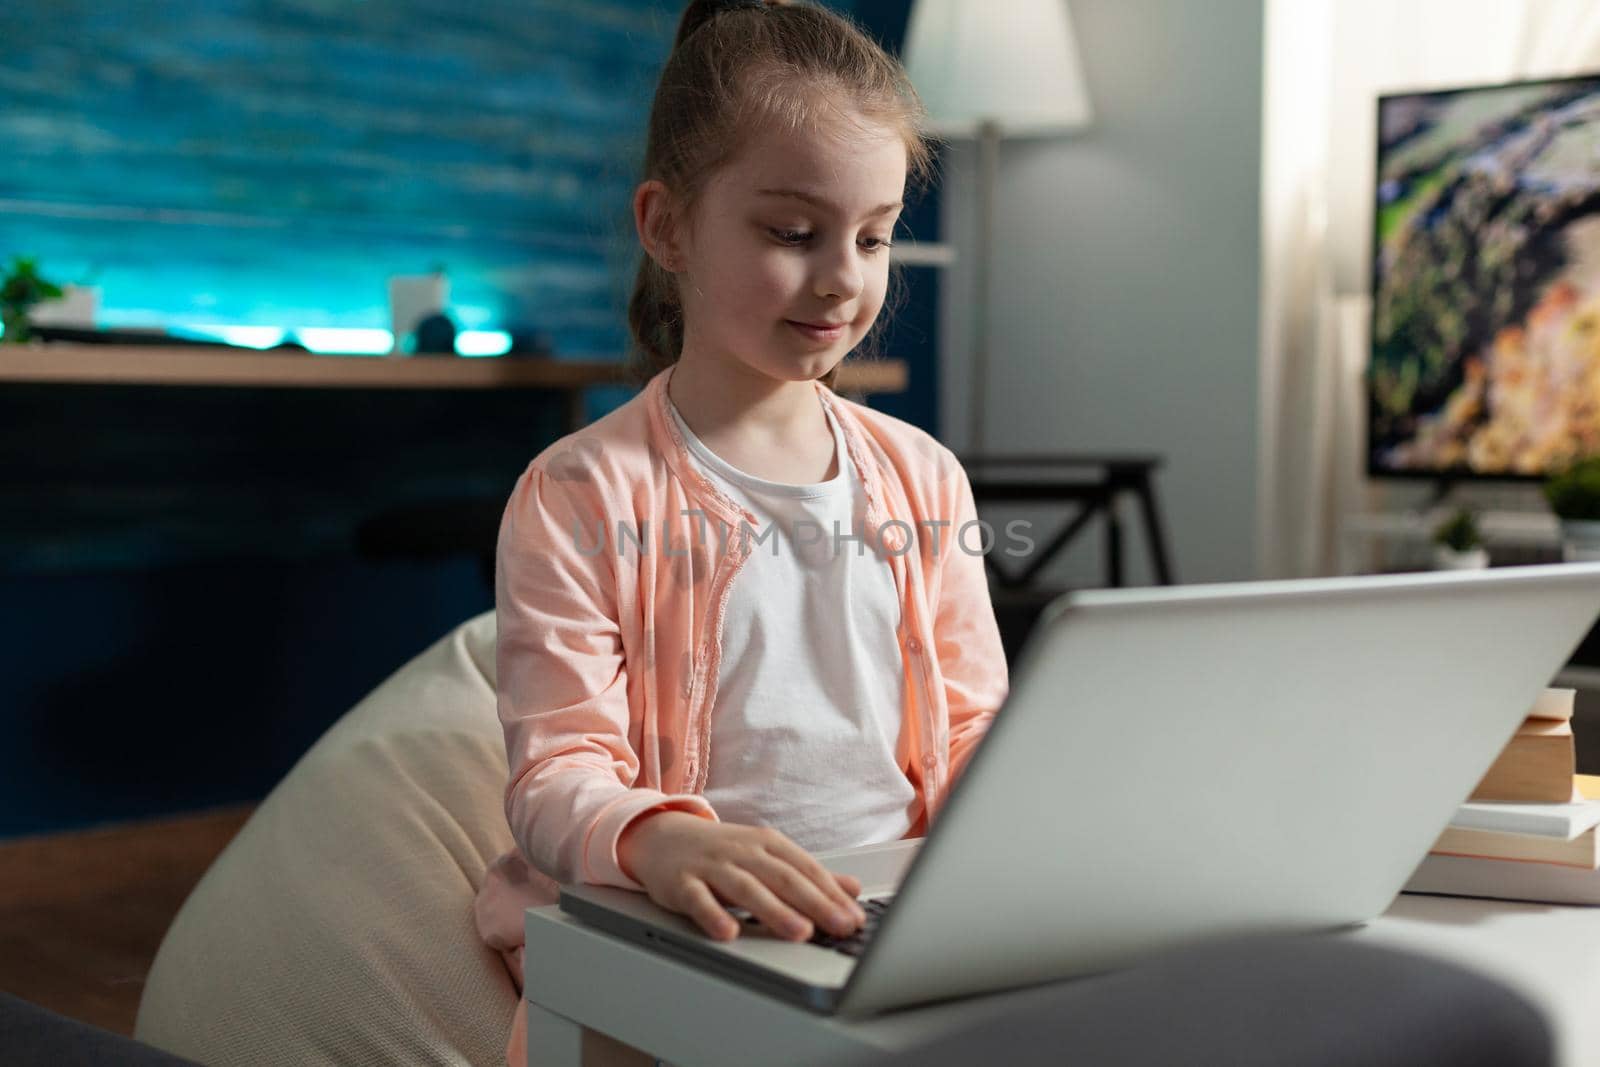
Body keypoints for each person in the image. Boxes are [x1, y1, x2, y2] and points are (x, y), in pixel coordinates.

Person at [472, 1, 1010, 1062]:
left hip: (887, 917)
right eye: (791, 232)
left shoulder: (923, 476)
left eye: (873, 235)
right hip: (676, 924)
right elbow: (556, 768)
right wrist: (661, 839)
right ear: (667, 225)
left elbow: (969, 728)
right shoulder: (578, 491)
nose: (842, 276)